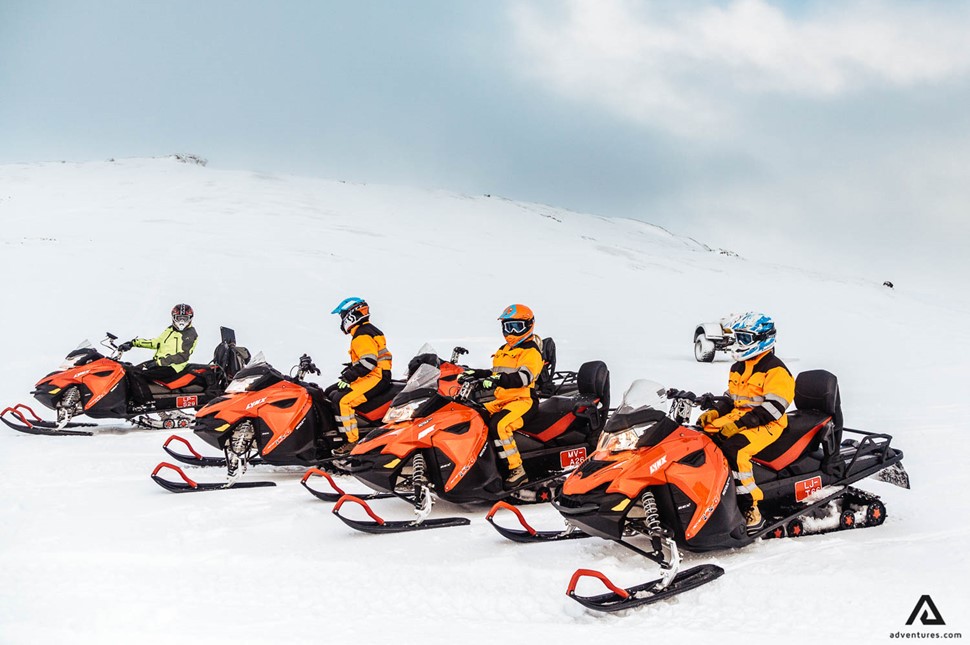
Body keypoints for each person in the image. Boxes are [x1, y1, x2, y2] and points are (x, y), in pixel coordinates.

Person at [697, 312, 794, 534]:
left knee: (735, 450)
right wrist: (714, 412)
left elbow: (774, 408)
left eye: (745, 339)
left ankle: (750, 508)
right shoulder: (738, 367)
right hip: (741, 418)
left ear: (763, 339)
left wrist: (740, 425)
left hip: (768, 423)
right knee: (701, 438)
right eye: (737, 338)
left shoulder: (775, 370)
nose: (739, 344)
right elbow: (733, 399)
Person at [460, 304, 544, 487]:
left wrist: (497, 380)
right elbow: (495, 372)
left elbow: (522, 377)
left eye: (516, 327)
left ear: (529, 326)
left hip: (522, 400)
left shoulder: (531, 352)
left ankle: (516, 469)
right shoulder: (503, 350)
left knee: (500, 425)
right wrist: (476, 374)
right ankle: (478, 465)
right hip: (502, 400)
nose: (511, 332)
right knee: (473, 415)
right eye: (508, 327)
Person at [328, 298, 393, 455]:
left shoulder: (362, 335)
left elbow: (368, 362)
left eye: (342, 316)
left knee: (342, 400)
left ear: (351, 316)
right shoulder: (365, 330)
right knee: (330, 392)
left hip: (376, 377)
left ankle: (352, 442)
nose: (342, 320)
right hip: (373, 375)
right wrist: (349, 371)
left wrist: (348, 377)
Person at [119, 303, 199, 408]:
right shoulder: (170, 330)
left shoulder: (189, 334)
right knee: (130, 369)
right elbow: (157, 342)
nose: (182, 321)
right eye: (179, 318)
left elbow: (182, 356)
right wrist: (133, 343)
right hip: (161, 362)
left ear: (190, 318)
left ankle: (146, 403)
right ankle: (130, 400)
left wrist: (158, 362)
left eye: (185, 318)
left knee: (136, 374)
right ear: (174, 318)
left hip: (173, 367)